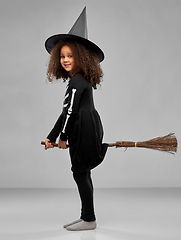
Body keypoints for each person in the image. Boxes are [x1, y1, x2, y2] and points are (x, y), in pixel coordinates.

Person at [44, 7, 108, 231]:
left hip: (83, 128)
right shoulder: (79, 80)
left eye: (70, 55)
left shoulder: (77, 82)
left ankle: (89, 219)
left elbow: (70, 114)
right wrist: (51, 136)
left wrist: (62, 137)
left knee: (80, 172)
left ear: (83, 57)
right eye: (62, 56)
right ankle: (87, 217)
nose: (65, 60)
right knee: (83, 172)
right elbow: (66, 112)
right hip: (86, 126)